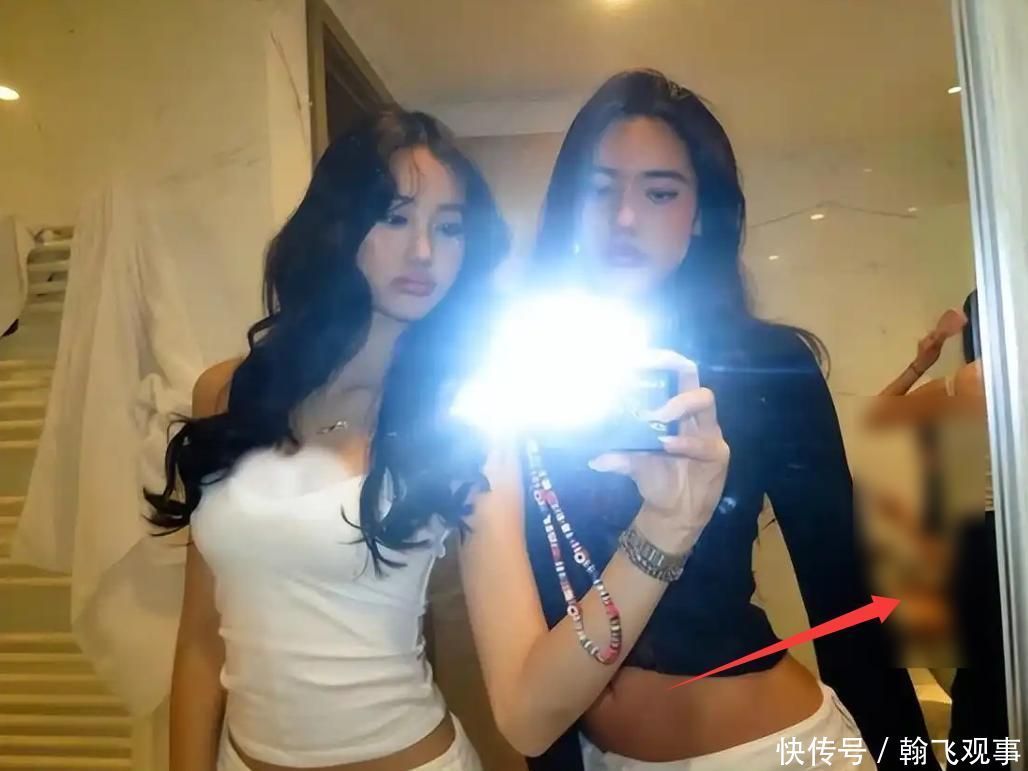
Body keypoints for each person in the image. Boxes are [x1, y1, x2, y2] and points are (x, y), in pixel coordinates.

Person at [147, 107, 731, 771]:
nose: (424, 251)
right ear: (337, 223)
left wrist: (665, 529)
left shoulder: (466, 420)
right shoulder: (230, 391)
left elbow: (528, 713)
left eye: (449, 227)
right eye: (396, 217)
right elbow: (202, 638)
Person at [519, 70, 936, 771]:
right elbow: (537, 607)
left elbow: (844, 592)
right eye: (600, 188)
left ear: (700, 214)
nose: (625, 217)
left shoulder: (766, 364)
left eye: (660, 192)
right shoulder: (526, 366)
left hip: (773, 749)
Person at [866, 290, 1008, 748]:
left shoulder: (953, 386)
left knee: (980, 664)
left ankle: (977, 751)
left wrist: (921, 362)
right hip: (1012, 534)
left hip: (966, 540)